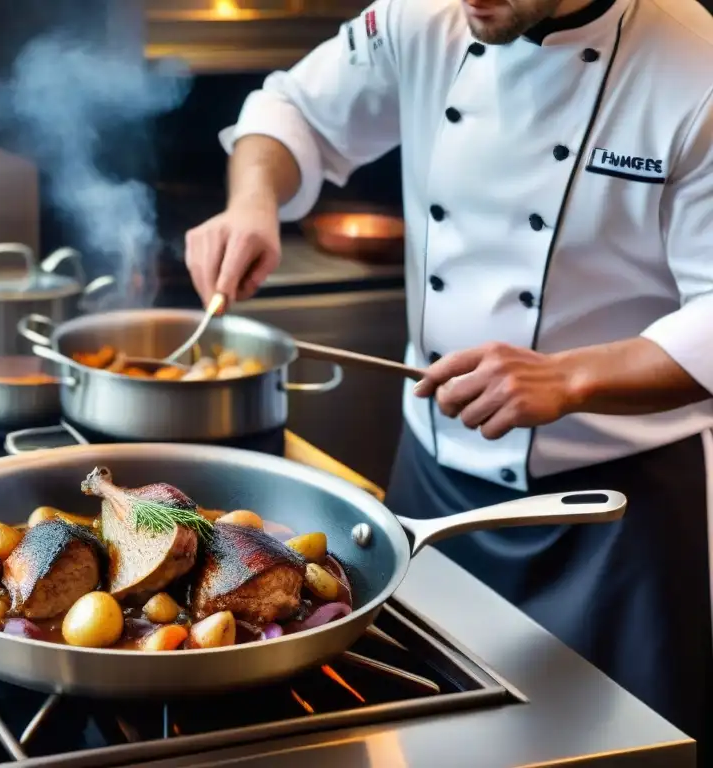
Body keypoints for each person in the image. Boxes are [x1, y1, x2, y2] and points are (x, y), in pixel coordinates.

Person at [184, 0, 713, 753]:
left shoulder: (696, 70)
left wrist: (572, 377)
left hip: (618, 524)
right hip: (427, 492)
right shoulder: (425, 14)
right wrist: (253, 201)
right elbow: (292, 110)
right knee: (417, 746)